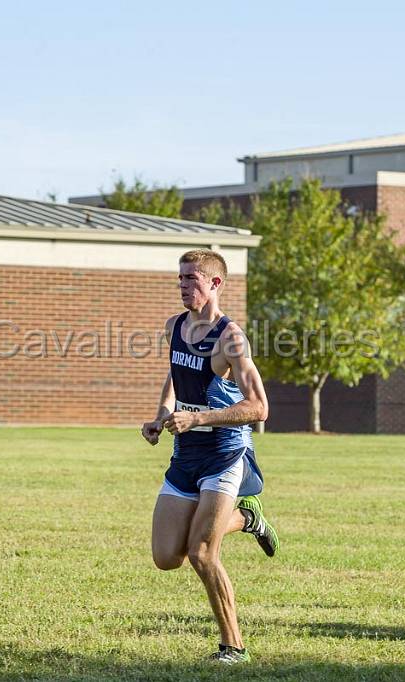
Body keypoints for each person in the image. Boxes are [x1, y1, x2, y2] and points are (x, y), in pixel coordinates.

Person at [141, 248, 279, 665]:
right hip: (186, 455)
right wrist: (162, 414)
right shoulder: (176, 326)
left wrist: (199, 418)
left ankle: (233, 646)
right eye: (180, 278)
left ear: (215, 283)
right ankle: (247, 518)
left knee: (203, 554)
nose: (182, 286)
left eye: (191, 279)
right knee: (167, 557)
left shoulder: (230, 338)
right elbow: (175, 373)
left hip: (224, 453)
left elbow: (259, 407)